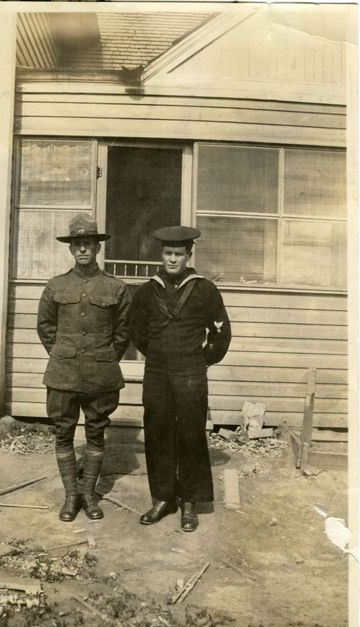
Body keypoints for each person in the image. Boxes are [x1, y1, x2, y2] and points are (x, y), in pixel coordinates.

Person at [130, 226, 231, 532]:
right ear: (161, 255)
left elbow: (221, 333)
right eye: (168, 254)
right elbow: (137, 333)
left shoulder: (205, 290)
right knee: (157, 431)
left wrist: (200, 360)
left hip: (191, 372)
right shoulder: (148, 290)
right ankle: (162, 498)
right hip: (157, 371)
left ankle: (189, 501)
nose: (173, 259)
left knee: (190, 433)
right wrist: (160, 355)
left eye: (179, 254)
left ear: (189, 255)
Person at [37, 213, 131, 522]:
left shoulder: (115, 288)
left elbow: (122, 333)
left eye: (88, 244)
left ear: (97, 248)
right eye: (77, 244)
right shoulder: (56, 286)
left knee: (96, 433)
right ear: (70, 248)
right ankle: (71, 495)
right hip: (62, 376)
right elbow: (45, 327)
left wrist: (103, 356)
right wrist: (63, 354)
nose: (82, 250)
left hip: (101, 374)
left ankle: (89, 493)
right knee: (63, 434)